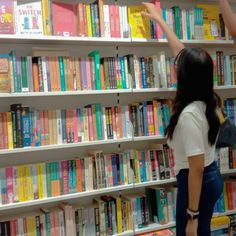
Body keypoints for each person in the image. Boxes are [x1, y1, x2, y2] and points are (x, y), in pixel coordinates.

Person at [142, 3, 224, 236]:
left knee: (191, 232)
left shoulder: (188, 115)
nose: (174, 66)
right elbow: (180, 51)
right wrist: (159, 19)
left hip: (196, 181)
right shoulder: (209, 100)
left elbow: (196, 168)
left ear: (186, 76)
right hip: (211, 176)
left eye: (177, 66)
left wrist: (192, 217)